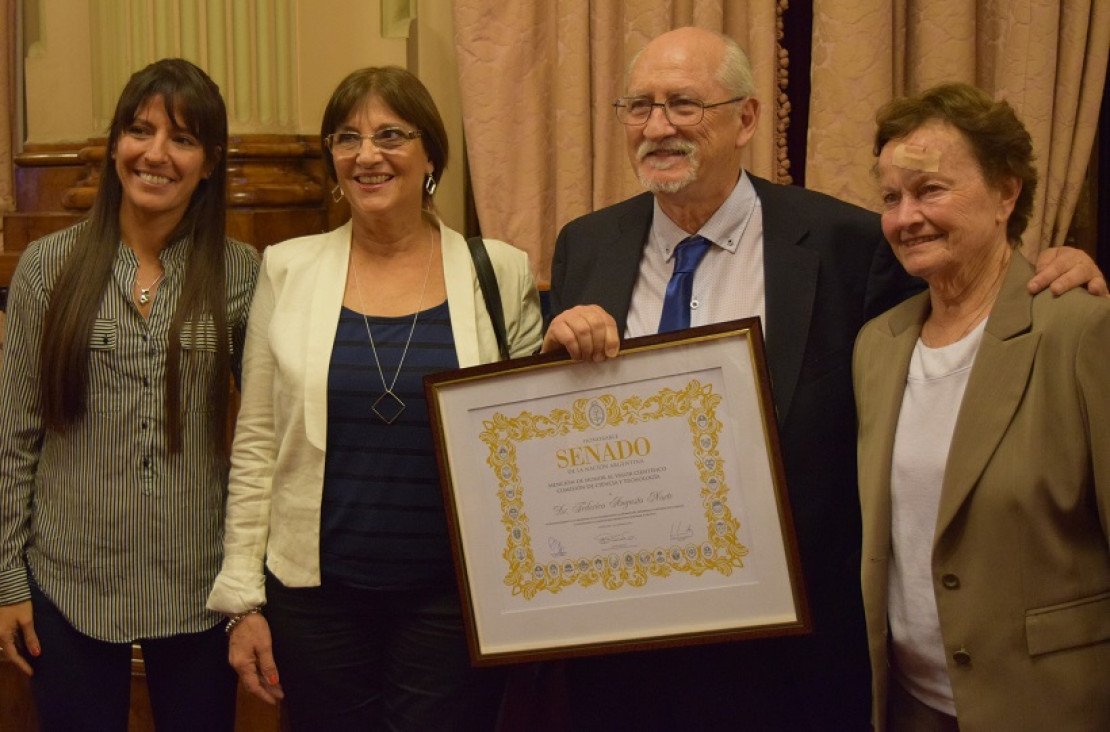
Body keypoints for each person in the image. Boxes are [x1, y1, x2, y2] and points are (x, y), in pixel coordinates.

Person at [541, 27, 1106, 731]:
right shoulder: (584, 245)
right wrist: (552, 354)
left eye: (684, 104)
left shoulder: (852, 244)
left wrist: (1065, 268)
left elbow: (968, 316)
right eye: (639, 106)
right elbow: (556, 425)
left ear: (746, 117)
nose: (658, 127)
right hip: (627, 645)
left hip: (795, 652)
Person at [206, 66, 543, 731]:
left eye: (391, 134)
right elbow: (256, 442)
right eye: (347, 137)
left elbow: (531, 435)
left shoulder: (496, 270)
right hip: (316, 603)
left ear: (429, 156)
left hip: (456, 597)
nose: (367, 154)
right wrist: (243, 600)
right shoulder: (288, 267)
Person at [0, 59, 259, 731]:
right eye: (139, 130)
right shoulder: (47, 268)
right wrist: (5, 580)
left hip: (199, 585)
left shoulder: (242, 274)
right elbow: (13, 434)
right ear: (116, 143)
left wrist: (252, 591)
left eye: (182, 139)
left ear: (209, 163)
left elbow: (264, 439)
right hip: (66, 579)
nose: (155, 154)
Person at [854, 83, 1109, 732]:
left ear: (1006, 192)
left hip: (1046, 707)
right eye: (891, 198)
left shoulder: (1079, 331)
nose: (906, 217)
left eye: (931, 190)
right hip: (911, 707)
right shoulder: (877, 348)